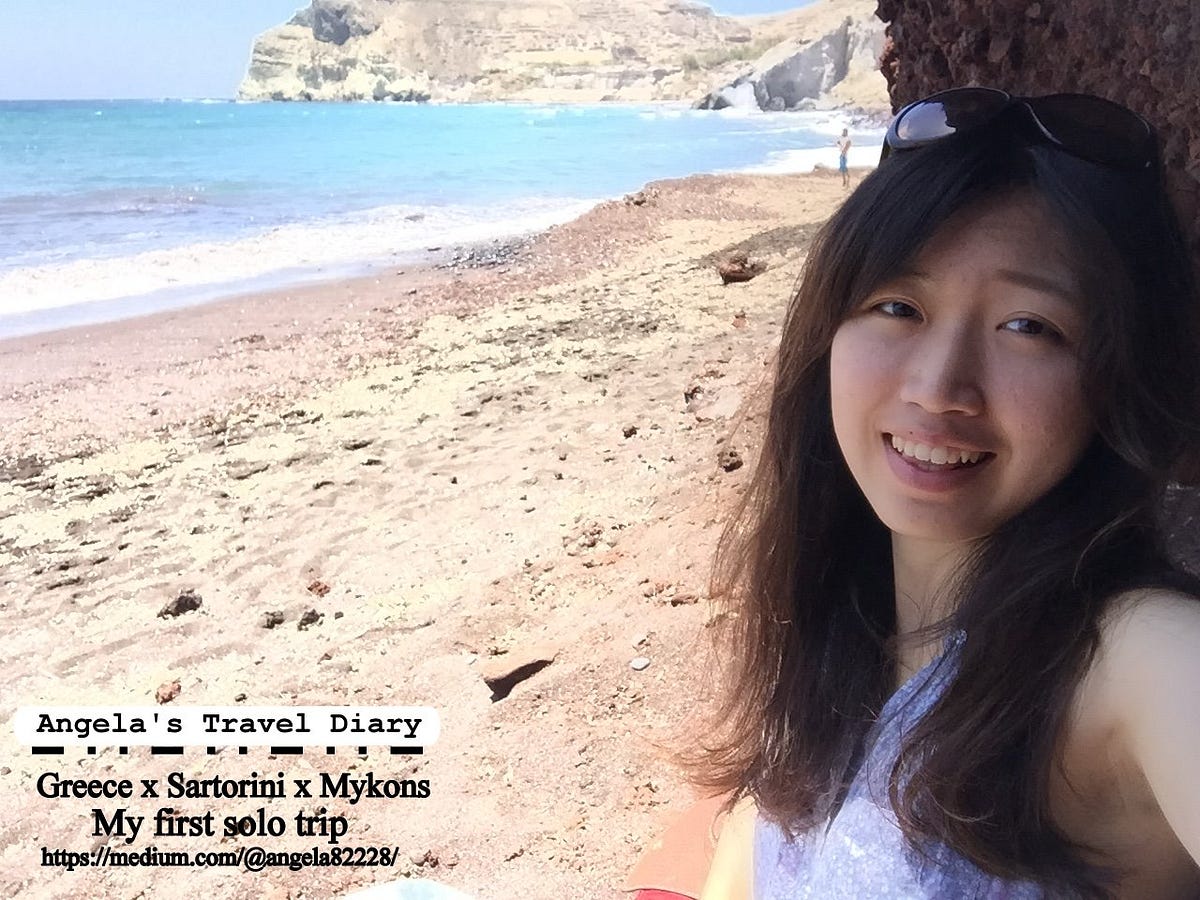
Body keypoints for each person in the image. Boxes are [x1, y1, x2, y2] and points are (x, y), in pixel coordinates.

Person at [694, 88, 1200, 898]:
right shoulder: (834, 643)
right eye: (898, 306)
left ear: (1118, 380)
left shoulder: (1127, 661)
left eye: (1029, 326)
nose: (938, 388)